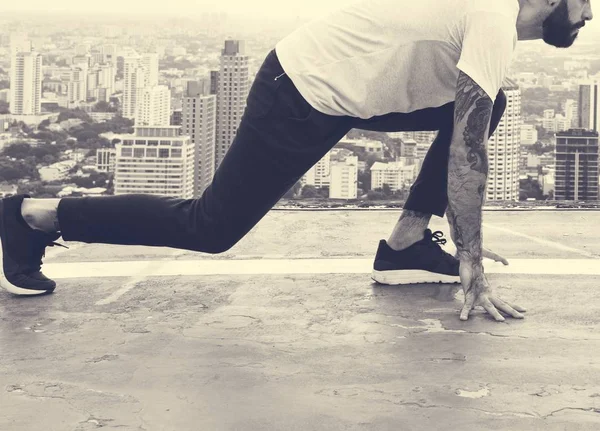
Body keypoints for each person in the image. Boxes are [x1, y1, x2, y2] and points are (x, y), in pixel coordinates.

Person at [0, 0, 593, 321]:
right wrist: (471, 260)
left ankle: (406, 244)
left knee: (490, 105)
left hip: (346, 89)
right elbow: (468, 154)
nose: (590, 15)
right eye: (587, 2)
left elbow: (469, 124)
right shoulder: (492, 16)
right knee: (210, 227)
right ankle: (34, 215)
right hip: (300, 92)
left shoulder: (492, 17)